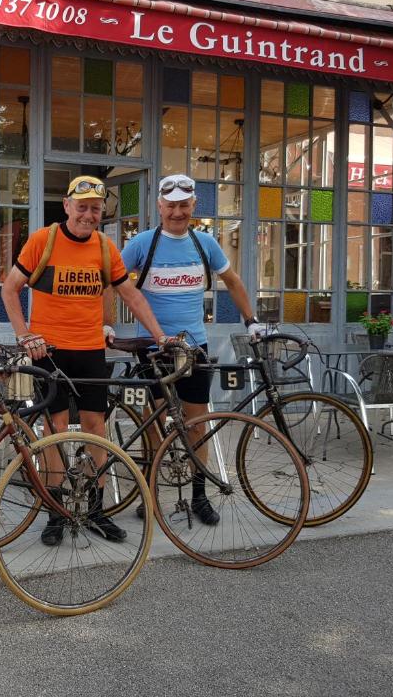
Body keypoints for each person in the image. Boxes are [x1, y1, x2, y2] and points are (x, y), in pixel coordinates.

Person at [1, 174, 169, 546]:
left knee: (97, 428)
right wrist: (24, 334)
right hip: (49, 353)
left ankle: (95, 509)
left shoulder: (106, 247)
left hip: (91, 349)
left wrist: (160, 336)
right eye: (83, 207)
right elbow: (10, 288)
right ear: (67, 206)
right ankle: (56, 512)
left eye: (95, 209)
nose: (89, 215)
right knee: (55, 430)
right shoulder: (43, 241)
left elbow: (131, 296)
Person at [119, 173, 264, 525]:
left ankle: (200, 496)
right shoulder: (141, 244)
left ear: (193, 205)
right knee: (152, 422)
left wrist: (251, 320)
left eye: (184, 205)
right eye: (171, 205)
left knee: (198, 422)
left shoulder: (205, 244)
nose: (178, 212)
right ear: (160, 206)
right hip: (151, 348)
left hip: (194, 346)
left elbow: (233, 281)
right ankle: (150, 494)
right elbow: (113, 284)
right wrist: (107, 325)